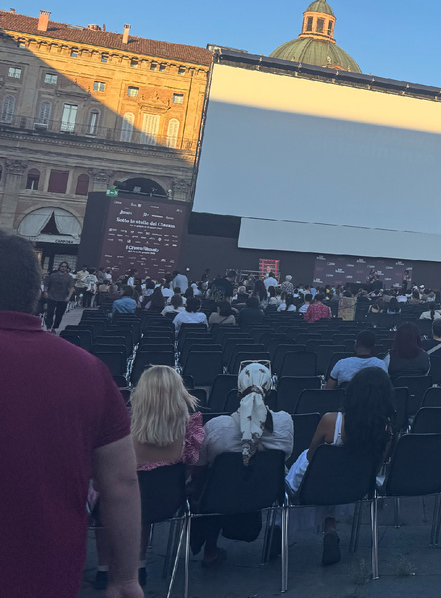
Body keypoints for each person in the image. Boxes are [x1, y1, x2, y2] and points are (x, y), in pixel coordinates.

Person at [0, 233, 143, 598]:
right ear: (38, 291)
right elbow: (121, 481)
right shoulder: (89, 370)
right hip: (45, 573)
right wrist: (125, 579)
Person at [95, 365, 204, 588]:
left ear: (141, 392)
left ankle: (103, 569)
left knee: (107, 498)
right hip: (166, 502)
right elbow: (194, 465)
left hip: (117, 501)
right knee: (143, 504)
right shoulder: (189, 428)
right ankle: (140, 565)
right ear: (178, 391)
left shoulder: (121, 427)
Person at [286, 366, 394, 565]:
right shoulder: (386, 429)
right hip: (353, 488)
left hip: (314, 485)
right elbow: (375, 469)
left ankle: (276, 528)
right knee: (335, 474)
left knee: (314, 466)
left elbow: (311, 457)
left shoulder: (330, 420)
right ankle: (330, 529)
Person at [191, 363, 293, 566]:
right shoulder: (285, 423)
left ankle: (209, 548)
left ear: (238, 394)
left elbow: (198, 471)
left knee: (208, 481)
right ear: (270, 391)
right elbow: (285, 457)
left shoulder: (215, 427)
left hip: (218, 500)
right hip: (263, 496)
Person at [43, 260, 74, 331]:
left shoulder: (69, 277)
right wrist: (45, 292)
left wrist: (69, 297)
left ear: (67, 268)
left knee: (59, 314)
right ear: (59, 267)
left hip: (63, 298)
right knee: (50, 312)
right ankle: (48, 327)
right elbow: (46, 284)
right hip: (51, 296)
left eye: (65, 267)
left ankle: (54, 327)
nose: (63, 268)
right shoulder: (53, 275)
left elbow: (71, 287)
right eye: (62, 266)